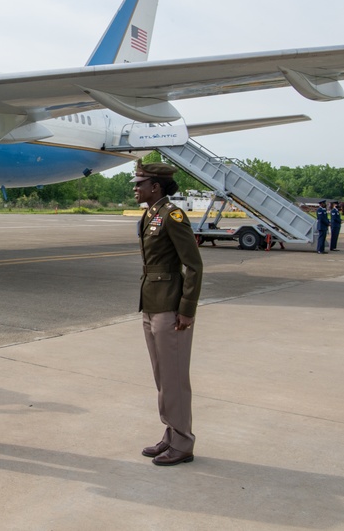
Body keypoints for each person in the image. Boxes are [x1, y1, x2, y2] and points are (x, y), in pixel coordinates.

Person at [131, 160, 203, 466]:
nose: (135, 188)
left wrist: (186, 310)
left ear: (155, 187)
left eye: (139, 183)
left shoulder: (172, 215)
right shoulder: (151, 214)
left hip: (170, 306)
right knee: (163, 376)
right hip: (152, 303)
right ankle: (172, 434)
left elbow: (194, 265)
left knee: (174, 377)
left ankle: (183, 442)